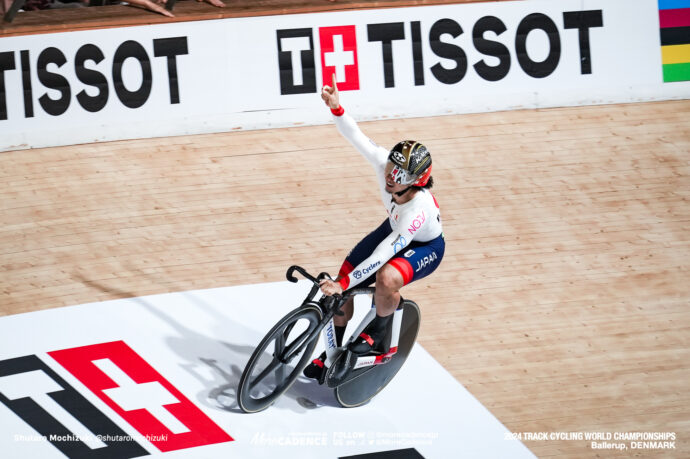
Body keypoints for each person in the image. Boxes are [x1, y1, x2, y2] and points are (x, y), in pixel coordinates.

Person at [304, 74, 445, 379]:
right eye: (392, 165)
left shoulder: (417, 209)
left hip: (424, 245)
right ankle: (332, 354)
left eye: (400, 172)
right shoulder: (384, 166)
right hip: (392, 228)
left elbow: (384, 254)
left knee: (386, 276)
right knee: (340, 285)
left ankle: (380, 335)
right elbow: (355, 135)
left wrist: (346, 282)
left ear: (417, 181)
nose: (391, 175)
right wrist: (337, 109)